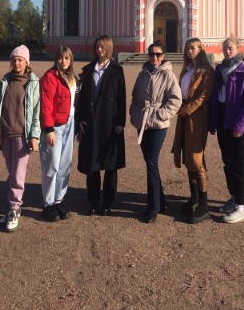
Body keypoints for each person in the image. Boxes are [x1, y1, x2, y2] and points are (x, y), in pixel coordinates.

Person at [0, 45, 40, 232]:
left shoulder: (33, 83)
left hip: (22, 136)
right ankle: (13, 206)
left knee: (18, 174)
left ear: (27, 62)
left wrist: (34, 136)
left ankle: (14, 209)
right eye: (14, 60)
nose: (17, 63)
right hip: (5, 134)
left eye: (20, 60)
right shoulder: (5, 82)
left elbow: (36, 113)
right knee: (11, 171)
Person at [130, 41, 181, 223]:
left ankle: (153, 208)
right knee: (150, 162)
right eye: (152, 54)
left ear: (163, 56)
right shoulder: (142, 74)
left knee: (151, 162)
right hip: (142, 123)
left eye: (158, 54)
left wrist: (160, 114)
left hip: (158, 124)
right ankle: (161, 201)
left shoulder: (168, 75)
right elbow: (135, 97)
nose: (155, 57)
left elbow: (176, 100)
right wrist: (135, 114)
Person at [75, 35, 126, 216]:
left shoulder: (117, 70)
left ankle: (108, 202)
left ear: (109, 48)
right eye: (97, 46)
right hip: (91, 123)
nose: (100, 49)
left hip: (110, 123)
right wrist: (80, 120)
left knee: (110, 165)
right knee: (92, 165)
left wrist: (121, 122)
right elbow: (80, 100)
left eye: (103, 46)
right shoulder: (88, 70)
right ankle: (93, 201)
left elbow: (121, 98)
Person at [209, 38, 244, 224]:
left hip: (237, 125)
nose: (227, 51)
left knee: (239, 166)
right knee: (227, 162)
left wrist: (240, 125)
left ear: (238, 49)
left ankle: (241, 207)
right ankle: (234, 198)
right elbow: (214, 98)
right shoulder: (220, 69)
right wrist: (213, 122)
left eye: (230, 48)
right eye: (225, 48)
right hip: (222, 121)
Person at [172, 38, 214, 223]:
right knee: (187, 154)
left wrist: (187, 110)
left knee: (197, 158)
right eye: (188, 48)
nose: (190, 51)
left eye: (193, 48)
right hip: (184, 115)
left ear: (200, 49)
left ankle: (204, 204)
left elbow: (204, 95)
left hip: (196, 118)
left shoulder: (206, 71)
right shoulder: (187, 69)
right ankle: (194, 198)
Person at [39, 45, 77, 223]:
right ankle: (48, 204)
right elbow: (45, 105)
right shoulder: (49, 77)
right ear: (56, 59)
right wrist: (49, 129)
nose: (63, 61)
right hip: (54, 127)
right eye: (61, 58)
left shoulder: (72, 77)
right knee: (51, 165)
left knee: (64, 165)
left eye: (67, 58)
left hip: (69, 124)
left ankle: (58, 200)